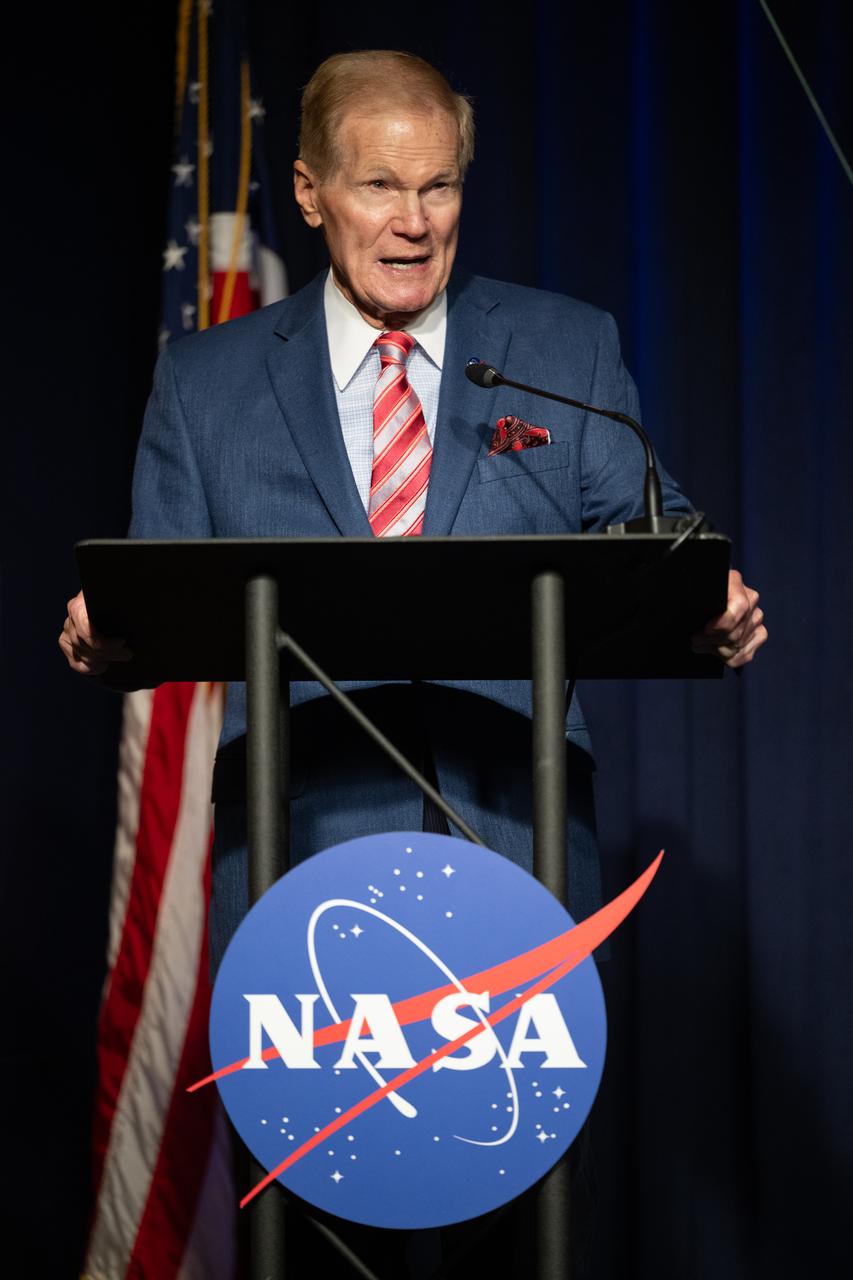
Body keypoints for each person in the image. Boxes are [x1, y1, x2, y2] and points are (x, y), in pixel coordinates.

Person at [59, 51, 766, 972]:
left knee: (514, 1115)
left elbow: (657, 534)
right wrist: (103, 632)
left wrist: (711, 599)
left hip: (520, 833)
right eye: (380, 186)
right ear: (310, 194)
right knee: (313, 1121)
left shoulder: (561, 346)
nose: (414, 223)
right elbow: (151, 599)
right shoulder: (205, 384)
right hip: (295, 843)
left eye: (438, 187)